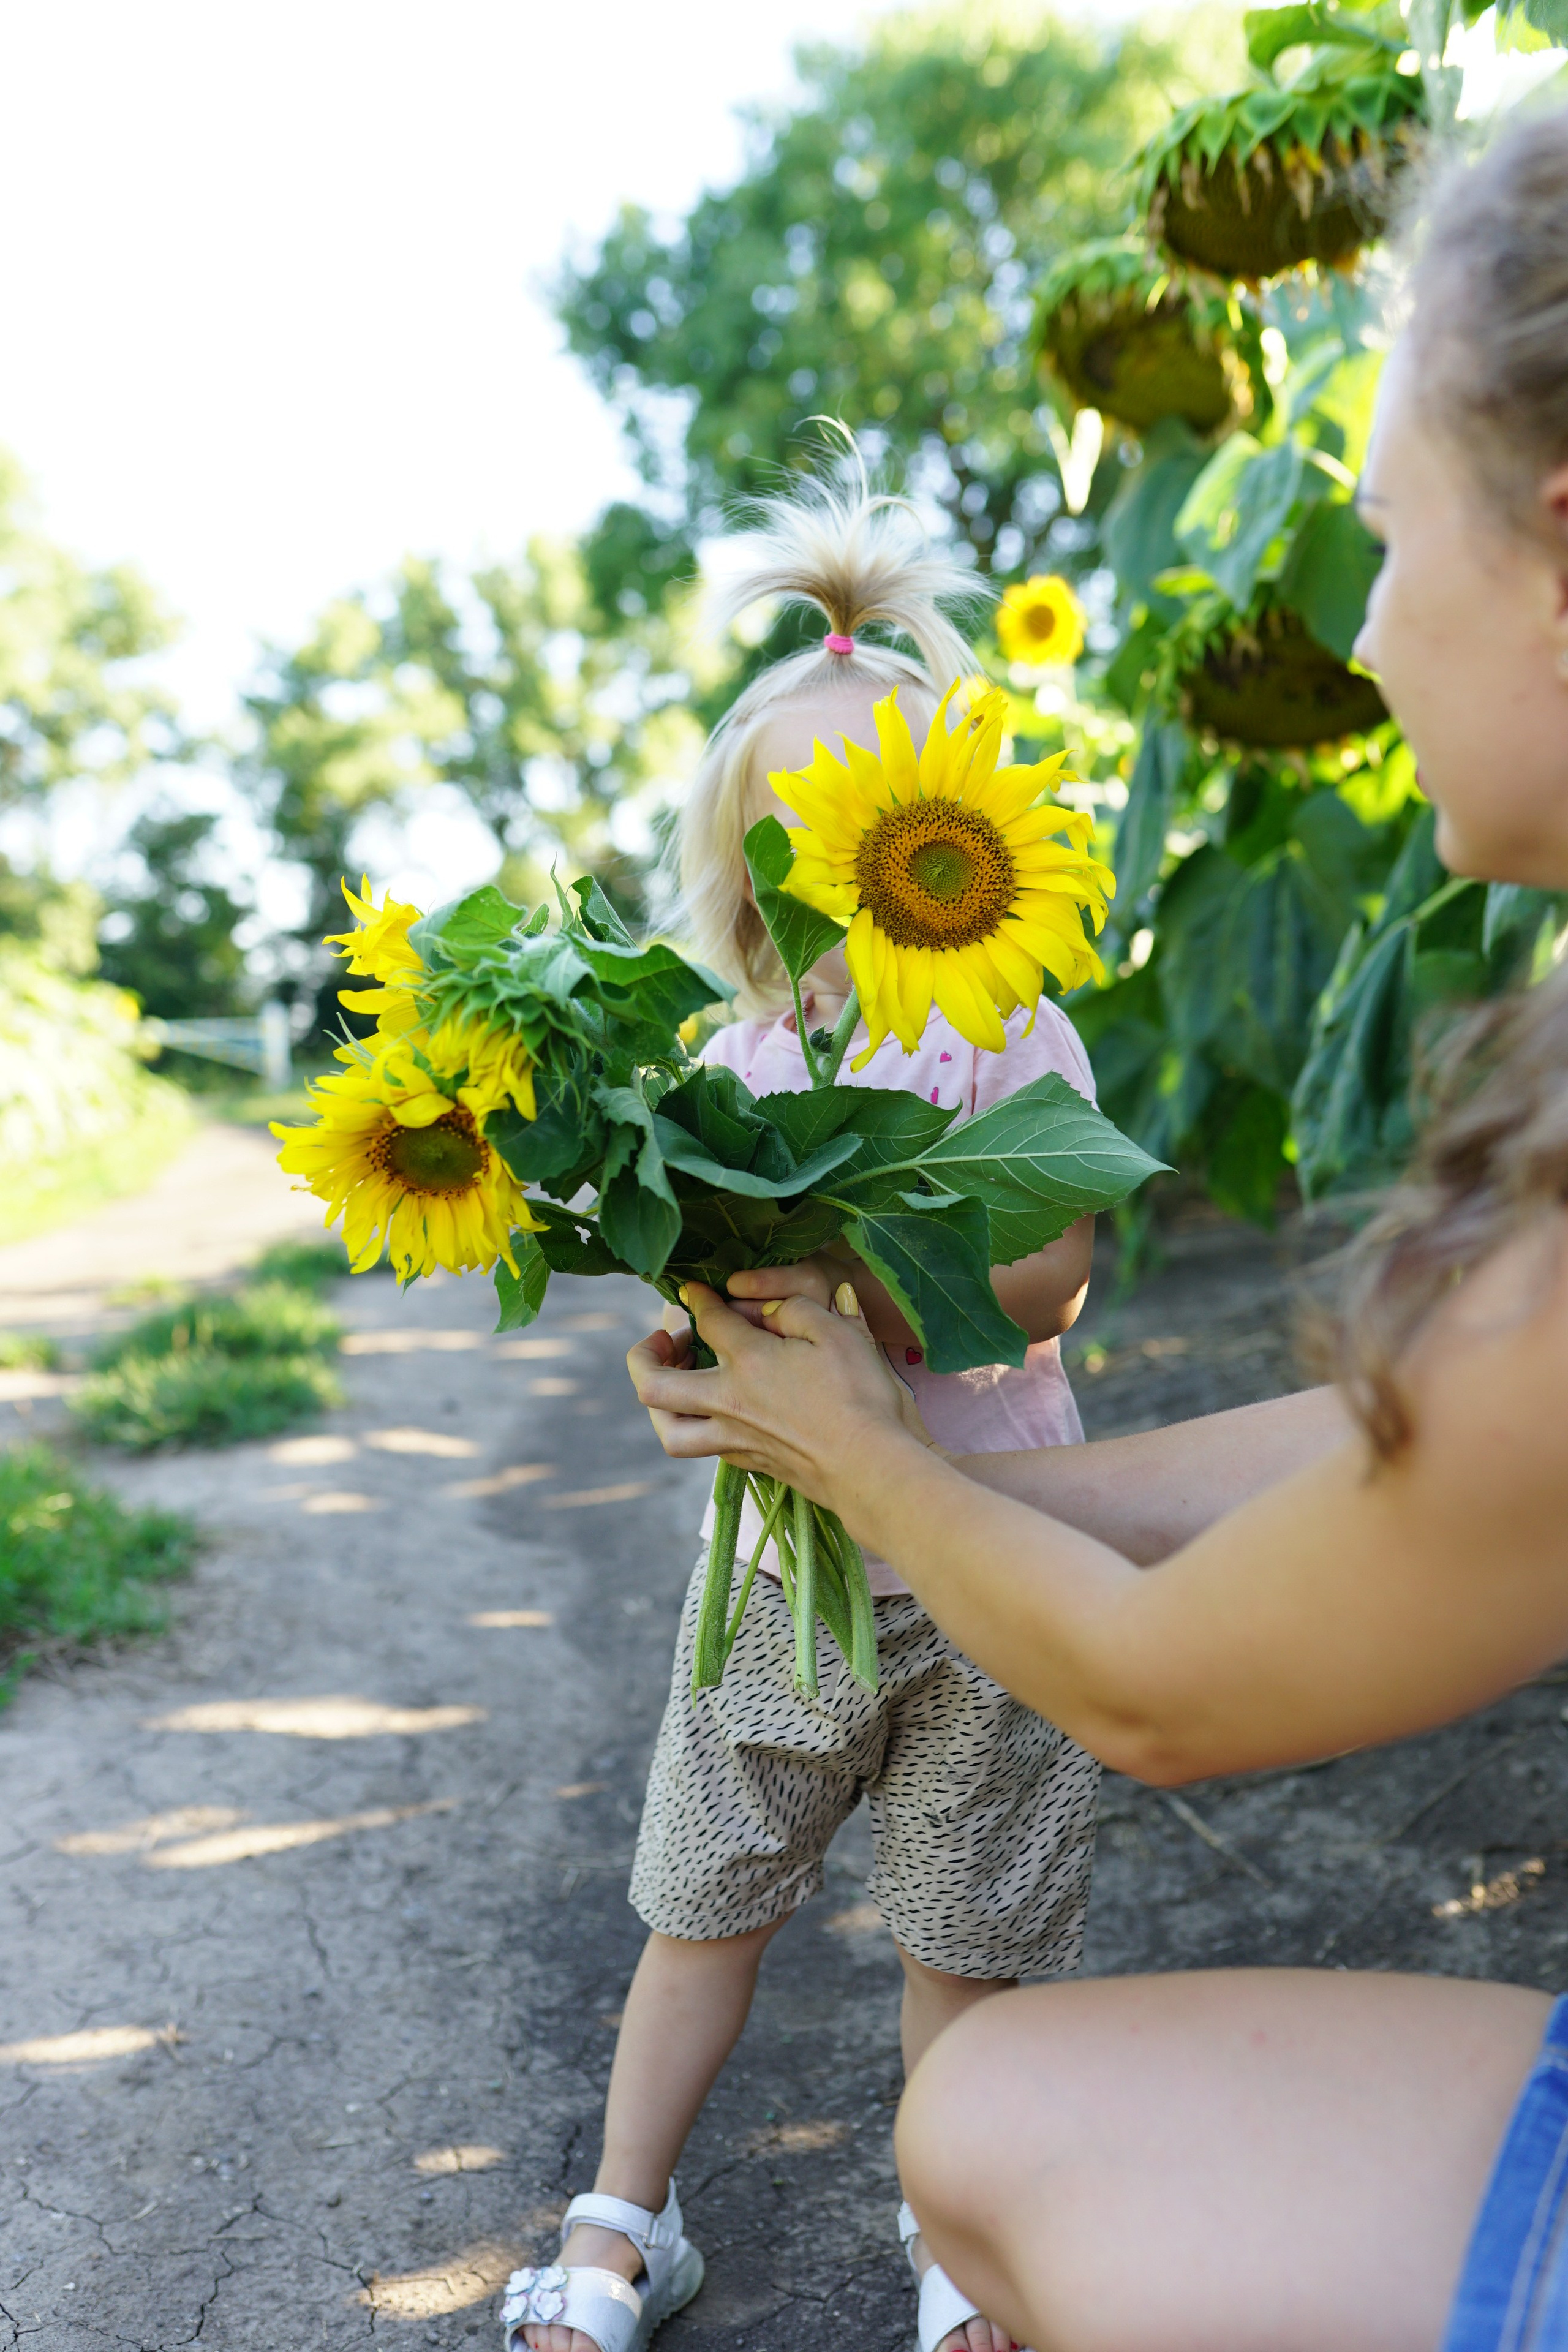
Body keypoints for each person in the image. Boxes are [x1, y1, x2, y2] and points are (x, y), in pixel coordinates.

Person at [626, 112, 1568, 2350]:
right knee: (1007, 2108)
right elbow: (1398, 1467)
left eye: (1380, 534)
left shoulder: (1009, 1038)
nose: (1356, 620)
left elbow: (1160, 1688)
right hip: (891, 1532)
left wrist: (866, 1458)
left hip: (951, 1577)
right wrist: (878, 1438)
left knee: (1014, 2112)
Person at [507, 480, 1107, 2352]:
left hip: (996, 1553)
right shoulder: (729, 1064)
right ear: (749, 863)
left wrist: (877, 1267)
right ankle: (623, 2219)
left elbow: (1057, 1275)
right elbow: (696, 1296)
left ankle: (955, 2244)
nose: (842, 870)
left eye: (884, 825)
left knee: (965, 1927)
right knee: (703, 1899)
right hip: (780, 1568)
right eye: (800, 837)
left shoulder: (1007, 1026)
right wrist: (686, 1348)